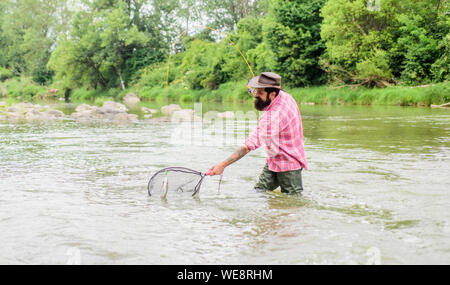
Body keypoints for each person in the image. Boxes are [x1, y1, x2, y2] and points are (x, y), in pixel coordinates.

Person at [206, 72, 308, 194]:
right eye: (255, 91)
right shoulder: (284, 96)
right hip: (274, 159)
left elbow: (247, 147)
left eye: (260, 93)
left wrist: (221, 165)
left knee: (293, 202)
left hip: (289, 164)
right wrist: (252, 87)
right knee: (259, 192)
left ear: (272, 94)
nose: (255, 95)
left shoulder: (274, 117)